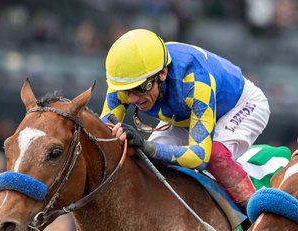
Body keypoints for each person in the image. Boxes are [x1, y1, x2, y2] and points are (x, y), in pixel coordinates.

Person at [101, 29, 270, 211]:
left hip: (241, 105)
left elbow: (199, 157)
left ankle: (256, 215)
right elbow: (103, 132)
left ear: (163, 73)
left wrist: (146, 145)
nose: (132, 99)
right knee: (146, 163)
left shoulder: (194, 79)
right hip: (186, 116)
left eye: (141, 88)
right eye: (127, 91)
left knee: (214, 155)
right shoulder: (124, 82)